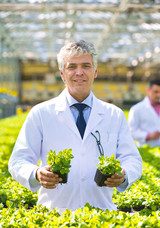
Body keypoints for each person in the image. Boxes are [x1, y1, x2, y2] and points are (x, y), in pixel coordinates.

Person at [8, 40, 142, 212]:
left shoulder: (114, 115)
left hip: (102, 214)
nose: (79, 72)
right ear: (62, 74)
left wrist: (124, 175)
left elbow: (133, 159)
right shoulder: (41, 113)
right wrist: (36, 174)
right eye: (72, 67)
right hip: (54, 215)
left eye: (86, 66)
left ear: (95, 71)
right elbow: (18, 160)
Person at [128, 79, 160, 147]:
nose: (159, 95)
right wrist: (148, 136)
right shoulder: (136, 109)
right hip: (146, 150)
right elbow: (131, 132)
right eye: (156, 92)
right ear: (148, 91)